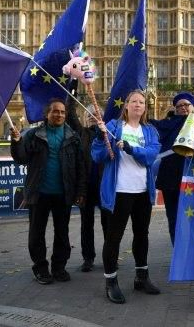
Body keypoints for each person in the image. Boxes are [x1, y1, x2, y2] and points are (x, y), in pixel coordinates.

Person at [92, 89, 162, 304]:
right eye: (134, 101)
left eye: (141, 102)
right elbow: (97, 155)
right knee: (114, 237)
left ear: (145, 107)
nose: (138, 105)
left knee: (142, 235)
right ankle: (111, 281)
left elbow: (151, 155)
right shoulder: (113, 127)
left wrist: (132, 149)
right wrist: (101, 137)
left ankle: (141, 277)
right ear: (127, 105)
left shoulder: (149, 131)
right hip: (119, 192)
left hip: (142, 191)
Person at [10, 99, 87, 285]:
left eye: (62, 112)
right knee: (37, 233)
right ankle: (41, 268)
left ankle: (59, 268)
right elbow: (21, 158)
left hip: (64, 193)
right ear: (47, 114)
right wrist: (16, 142)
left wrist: (80, 191)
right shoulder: (34, 134)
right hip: (39, 193)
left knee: (62, 233)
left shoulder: (73, 137)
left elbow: (80, 167)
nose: (59, 114)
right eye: (55, 111)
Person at [151, 92, 194, 244]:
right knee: (173, 217)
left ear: (193, 107)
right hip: (171, 178)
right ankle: (177, 250)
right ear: (175, 109)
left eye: (186, 105)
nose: (183, 108)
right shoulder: (167, 123)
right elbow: (151, 125)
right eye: (179, 106)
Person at [66, 96, 108, 272]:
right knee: (86, 225)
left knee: (108, 225)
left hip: (104, 187)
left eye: (96, 115)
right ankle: (88, 258)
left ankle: (109, 257)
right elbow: (71, 115)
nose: (92, 117)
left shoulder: (107, 134)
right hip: (85, 188)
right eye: (89, 115)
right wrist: (72, 87)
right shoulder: (80, 133)